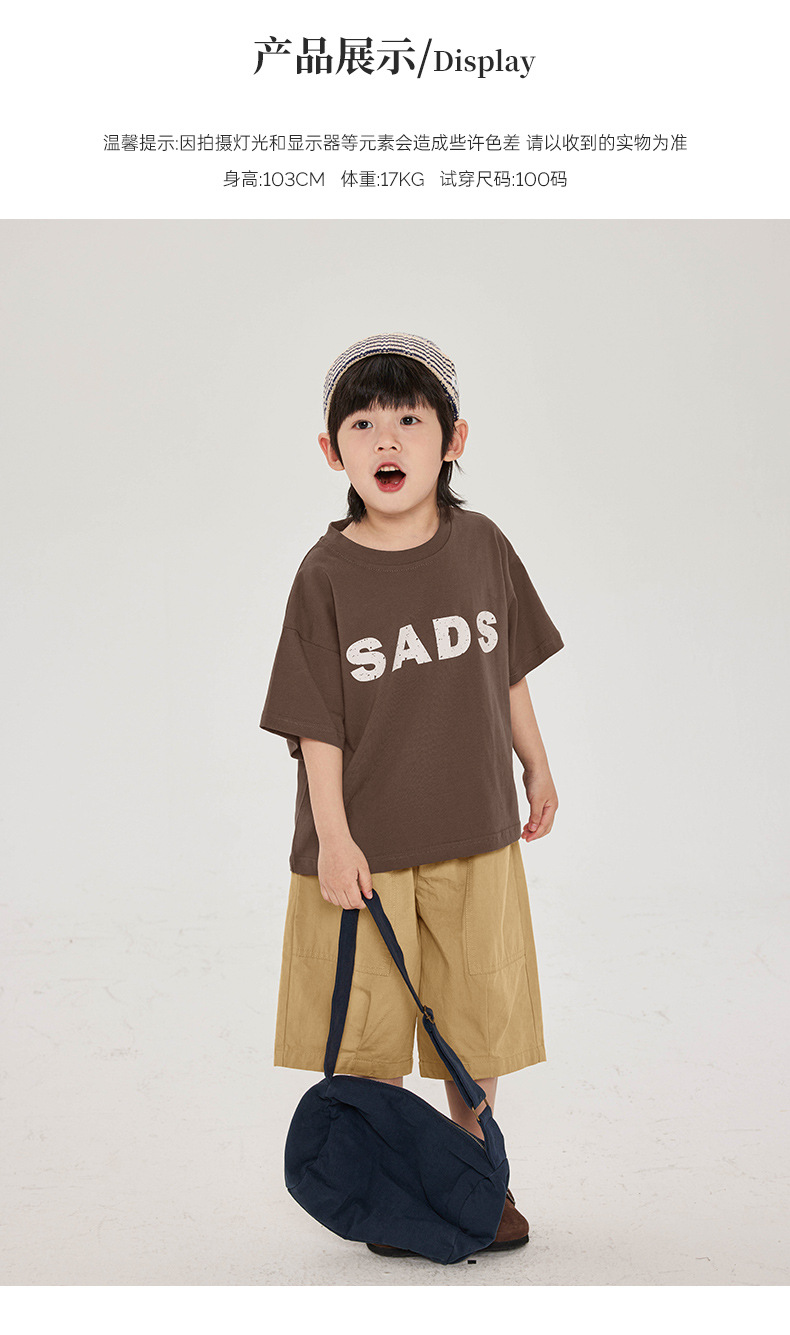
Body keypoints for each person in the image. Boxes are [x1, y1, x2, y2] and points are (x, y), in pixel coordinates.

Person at [259, 332, 564, 1256]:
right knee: (370, 1027)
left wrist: (536, 761)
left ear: (452, 439)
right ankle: (392, 1182)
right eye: (362, 423)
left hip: (476, 831)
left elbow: (506, 668)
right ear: (332, 450)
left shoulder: (482, 546)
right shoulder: (326, 574)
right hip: (368, 849)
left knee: (475, 1016)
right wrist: (334, 836)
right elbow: (315, 722)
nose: (386, 438)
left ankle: (473, 1176)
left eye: (408, 418)